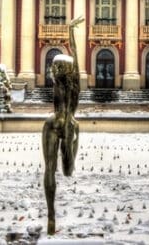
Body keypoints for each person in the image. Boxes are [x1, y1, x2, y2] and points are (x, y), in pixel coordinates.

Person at [42, 15, 84, 235]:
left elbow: (69, 61)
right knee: (67, 167)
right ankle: (70, 162)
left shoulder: (56, 82)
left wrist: (69, 30)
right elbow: (76, 58)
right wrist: (71, 32)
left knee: (49, 169)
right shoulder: (74, 84)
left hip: (54, 122)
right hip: (71, 124)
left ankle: (51, 216)